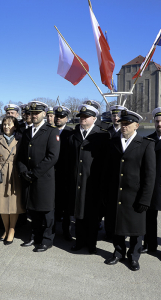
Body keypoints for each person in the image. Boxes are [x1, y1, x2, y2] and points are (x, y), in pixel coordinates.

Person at [104, 109, 155, 271]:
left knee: (136, 229)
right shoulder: (113, 142)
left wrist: (145, 199)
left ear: (137, 126)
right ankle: (118, 252)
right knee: (117, 226)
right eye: (122, 123)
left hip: (135, 196)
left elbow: (149, 175)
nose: (123, 126)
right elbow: (108, 171)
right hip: (116, 194)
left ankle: (134, 256)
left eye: (127, 124)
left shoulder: (146, 144)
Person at [18, 101, 60, 252]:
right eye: (32, 113)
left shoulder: (51, 131)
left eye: (37, 113)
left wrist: (34, 173)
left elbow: (52, 157)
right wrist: (23, 171)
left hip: (43, 179)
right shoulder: (27, 132)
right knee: (33, 210)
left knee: (46, 212)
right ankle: (34, 236)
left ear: (44, 114)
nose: (34, 115)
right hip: (29, 178)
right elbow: (21, 155)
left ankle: (47, 240)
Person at [68, 104, 109, 254]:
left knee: (92, 215)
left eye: (86, 117)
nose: (82, 119)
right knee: (78, 214)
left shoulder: (102, 135)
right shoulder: (73, 135)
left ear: (94, 119)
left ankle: (91, 244)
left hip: (93, 182)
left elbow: (105, 162)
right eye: (81, 117)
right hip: (76, 181)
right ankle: (79, 242)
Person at [0, 116, 24, 244]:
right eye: (4, 124)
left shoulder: (20, 138)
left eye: (9, 124)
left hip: (15, 175)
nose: (6, 127)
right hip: (0, 174)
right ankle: (5, 229)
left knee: (14, 205)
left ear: (15, 126)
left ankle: (12, 230)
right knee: (2, 204)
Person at [141, 107, 161, 254]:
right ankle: (150, 244)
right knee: (150, 217)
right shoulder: (148, 140)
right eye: (157, 121)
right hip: (153, 185)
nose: (159, 124)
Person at [53, 105, 73, 240]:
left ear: (67, 118)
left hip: (66, 175)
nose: (58, 119)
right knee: (53, 205)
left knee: (66, 207)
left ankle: (66, 231)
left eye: (62, 117)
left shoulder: (71, 133)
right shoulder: (49, 131)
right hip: (51, 174)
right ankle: (51, 231)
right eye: (57, 116)